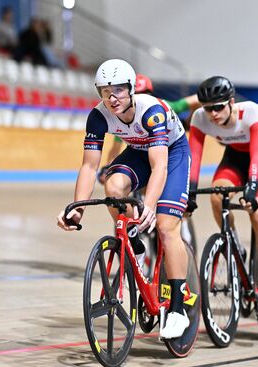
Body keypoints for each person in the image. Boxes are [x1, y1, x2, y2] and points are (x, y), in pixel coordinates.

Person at [57, 59, 192, 339]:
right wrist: (77, 209)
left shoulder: (151, 111)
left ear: (131, 89)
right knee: (113, 187)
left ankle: (178, 309)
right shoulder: (97, 116)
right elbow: (90, 167)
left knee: (166, 227)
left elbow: (160, 167)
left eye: (118, 90)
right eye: (105, 91)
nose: (112, 97)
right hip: (138, 151)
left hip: (172, 152)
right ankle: (135, 243)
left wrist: (151, 206)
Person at [188, 76, 258, 316]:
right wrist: (189, 192)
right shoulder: (200, 118)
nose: (213, 114)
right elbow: (194, 158)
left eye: (218, 107)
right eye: (208, 108)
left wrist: (252, 186)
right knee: (217, 196)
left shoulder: (251, 112)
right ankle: (234, 245)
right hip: (234, 159)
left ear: (231, 102)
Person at [98, 73, 200, 173]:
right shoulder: (123, 117)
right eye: (137, 94)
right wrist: (109, 170)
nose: (141, 98)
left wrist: (188, 121)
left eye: (144, 93)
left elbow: (196, 100)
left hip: (168, 154)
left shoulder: (160, 106)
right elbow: (114, 151)